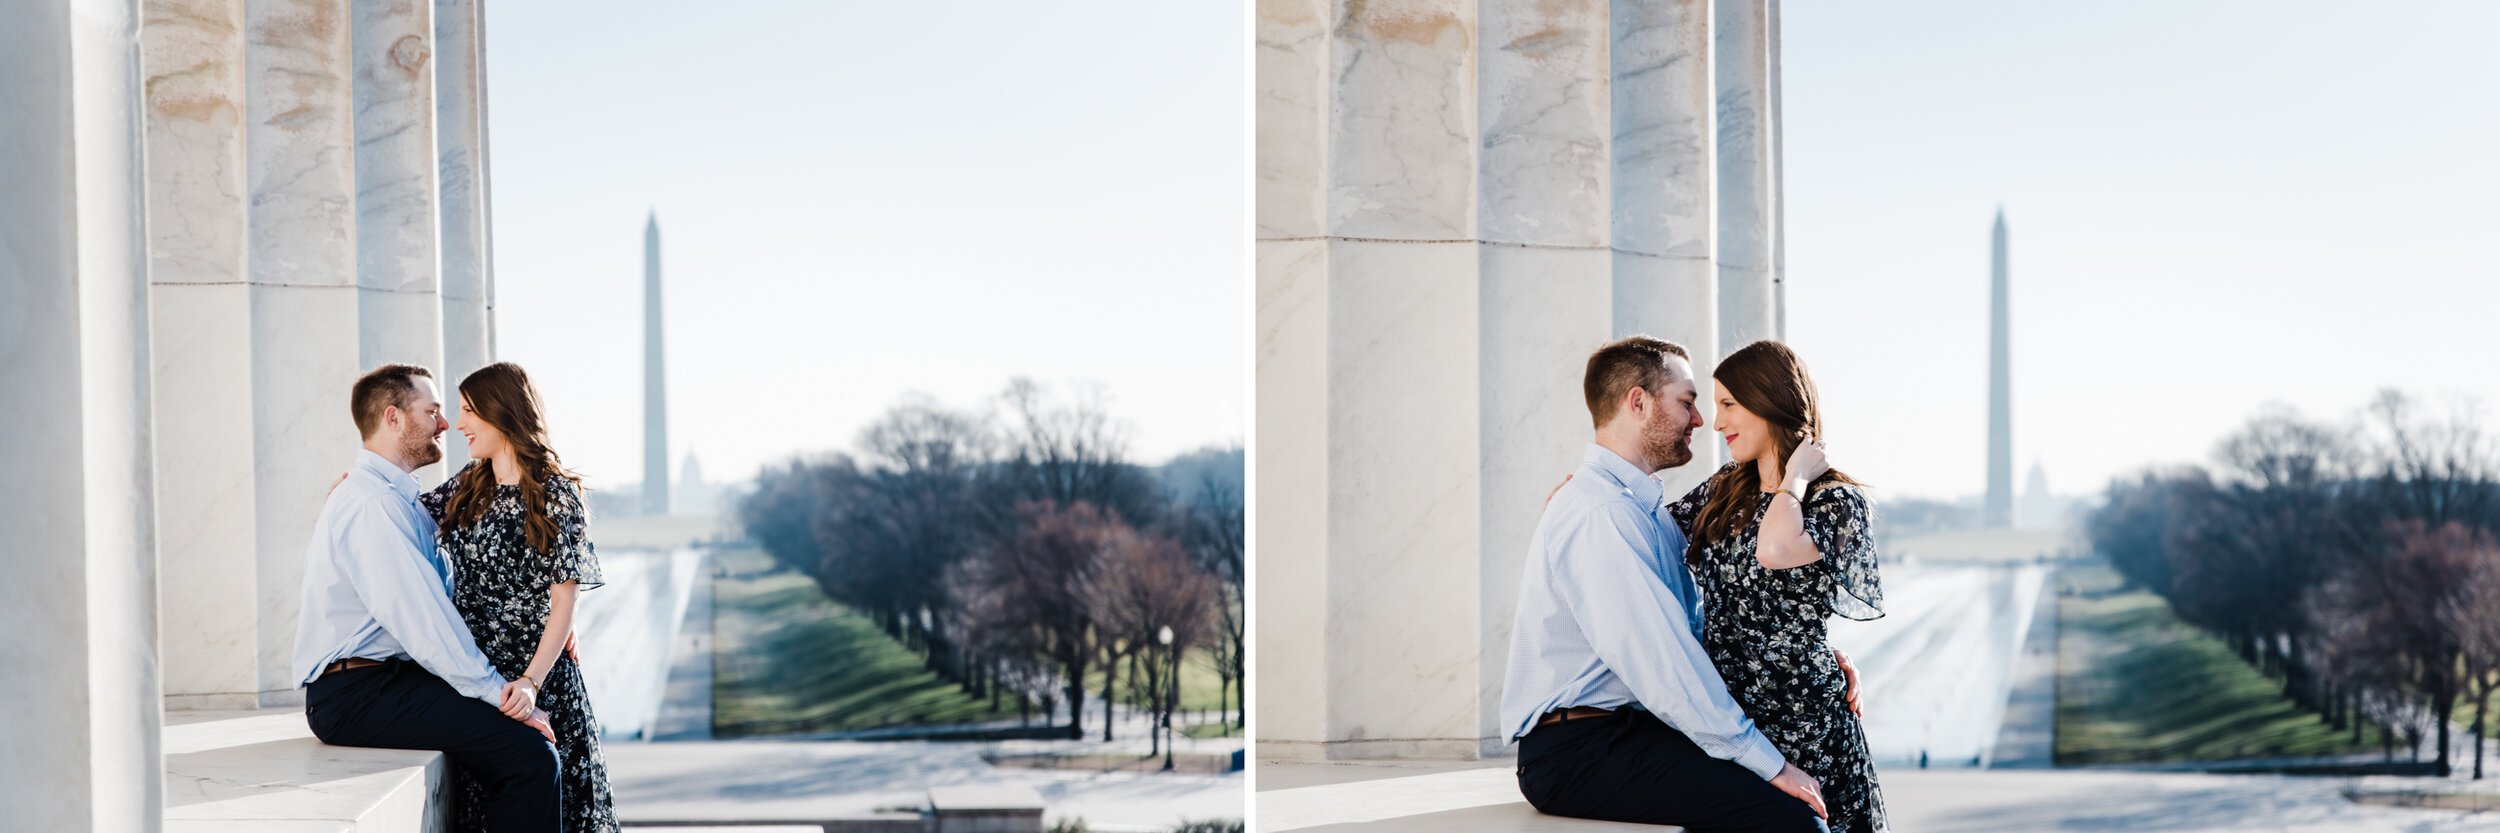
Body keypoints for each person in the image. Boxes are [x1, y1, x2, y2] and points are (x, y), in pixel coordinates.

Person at [1502, 336, 1849, 832]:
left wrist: (1805, 652)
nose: (1702, 420)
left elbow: (1702, 623)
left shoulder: (1637, 511)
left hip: (1624, 731)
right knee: (1792, 820)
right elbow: (1664, 665)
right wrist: (1770, 765)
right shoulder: (1604, 515)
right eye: (1687, 402)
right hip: (1579, 752)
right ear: (1638, 402)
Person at [293, 363, 562, 831]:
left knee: (519, 747)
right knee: (530, 757)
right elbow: (423, 622)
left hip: (385, 681)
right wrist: (496, 692)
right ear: (393, 418)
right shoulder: (373, 504)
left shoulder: (399, 500)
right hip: (355, 694)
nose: (445, 424)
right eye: (433, 411)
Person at [1667, 340, 1887, 833]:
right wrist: (1593, 493)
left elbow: (1775, 550)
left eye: (1729, 405)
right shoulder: (1725, 487)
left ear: (1770, 401)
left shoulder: (1836, 502)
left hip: (1805, 724)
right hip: (1731, 720)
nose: (1717, 422)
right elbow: (1647, 535)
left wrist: (1795, 480)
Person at [420, 361, 618, 833]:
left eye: (469, 411)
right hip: (480, 679)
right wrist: (358, 488)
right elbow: (403, 518)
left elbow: (563, 601)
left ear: (500, 412)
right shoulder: (470, 485)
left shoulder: (555, 493)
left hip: (537, 682)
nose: (460, 424)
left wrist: (531, 681)